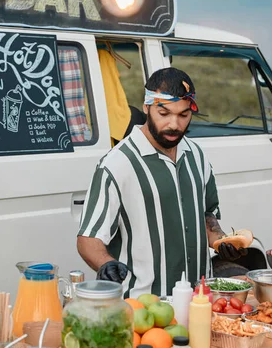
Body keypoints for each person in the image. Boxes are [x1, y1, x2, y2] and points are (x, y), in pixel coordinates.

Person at [76, 67, 248, 297]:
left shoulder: (196, 156)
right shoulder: (117, 164)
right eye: (164, 113)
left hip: (200, 299)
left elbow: (207, 215)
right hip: (144, 305)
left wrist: (221, 241)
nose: (174, 125)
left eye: (183, 115)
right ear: (147, 107)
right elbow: (88, 238)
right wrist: (105, 263)